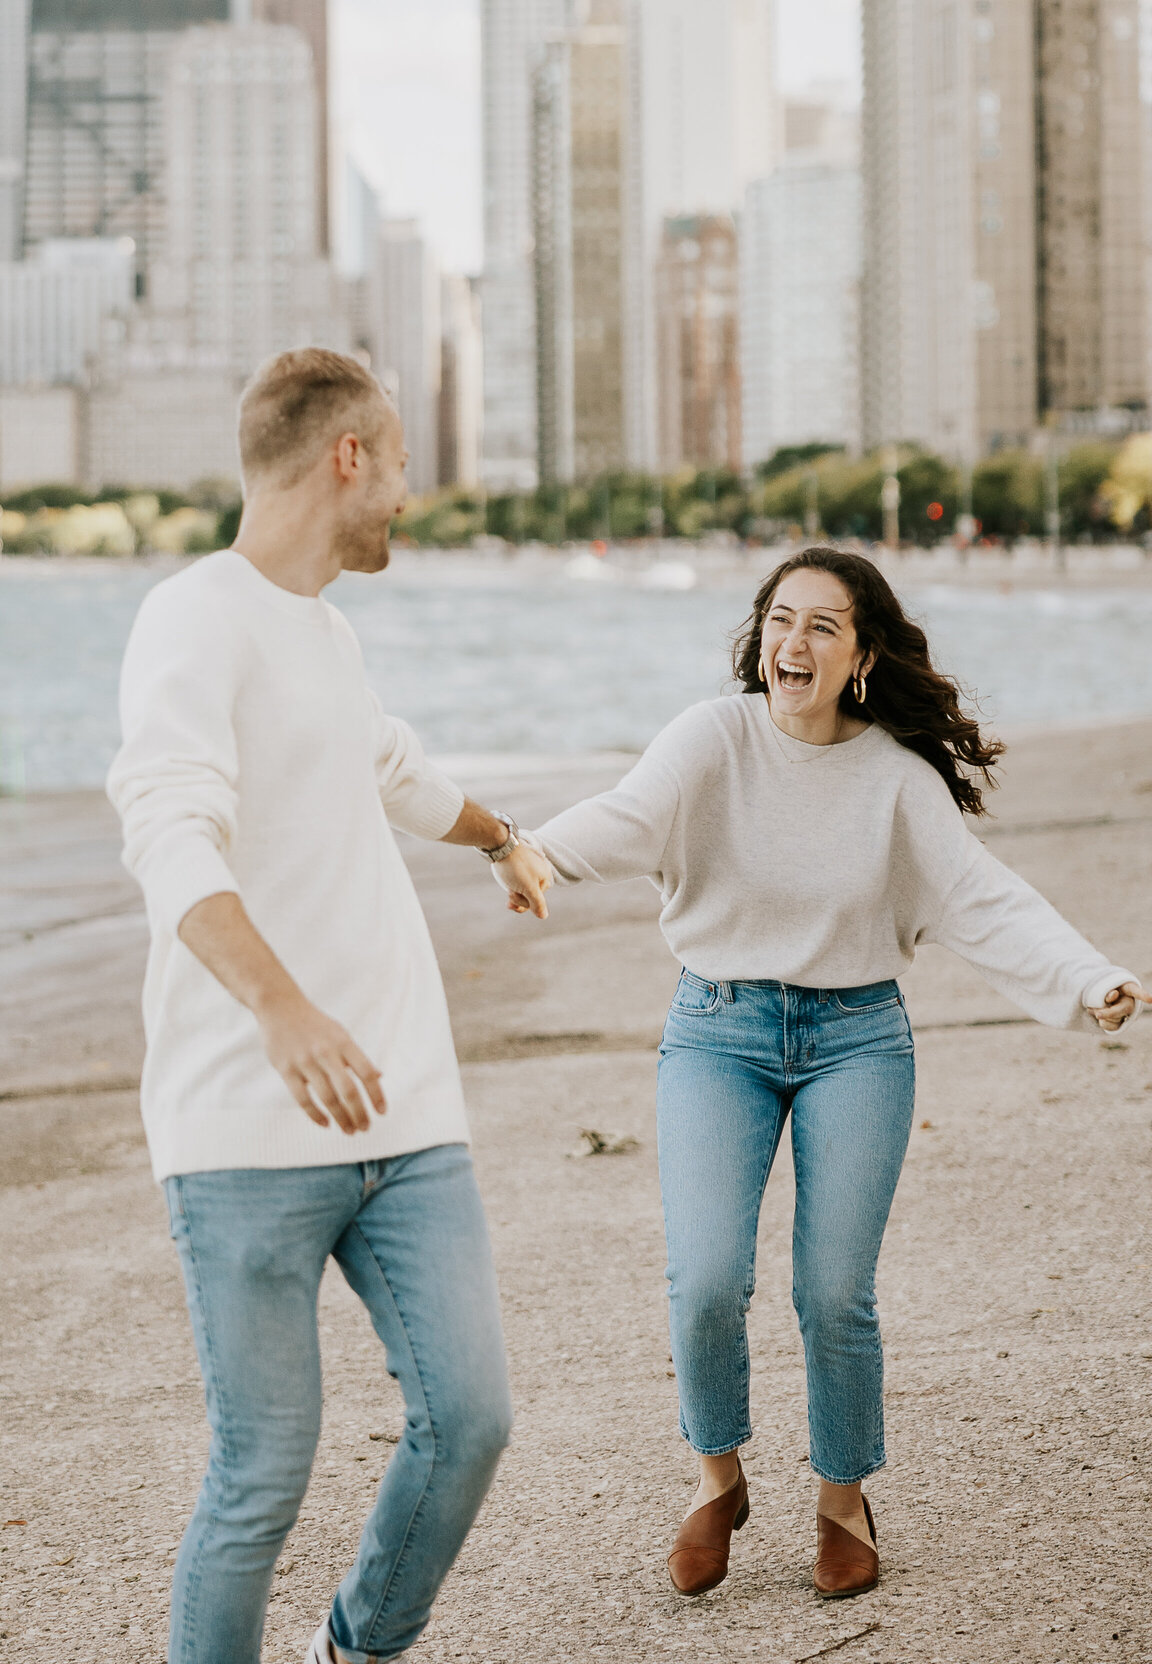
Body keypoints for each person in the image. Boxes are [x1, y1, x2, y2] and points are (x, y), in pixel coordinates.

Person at [524, 546, 1145, 1603]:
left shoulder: (897, 782)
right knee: (707, 1277)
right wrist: (529, 848)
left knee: (832, 1293)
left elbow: (981, 900)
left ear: (860, 656)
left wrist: (1087, 978)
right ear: (757, 638)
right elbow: (628, 816)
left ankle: (841, 1500)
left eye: (821, 626)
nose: (792, 643)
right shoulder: (710, 740)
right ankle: (716, 1477)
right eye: (779, 620)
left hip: (857, 1040)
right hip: (716, 1031)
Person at [107, 348, 551, 1664]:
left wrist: (497, 835)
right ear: (346, 457)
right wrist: (282, 1010)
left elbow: (393, 768)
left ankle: (354, 1649)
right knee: (261, 1479)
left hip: (406, 1117)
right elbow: (169, 836)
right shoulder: (194, 617)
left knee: (470, 1419)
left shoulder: (330, 632)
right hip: (246, 1134)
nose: (411, 492)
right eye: (403, 461)